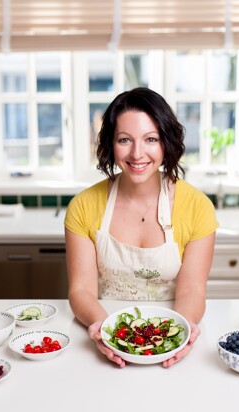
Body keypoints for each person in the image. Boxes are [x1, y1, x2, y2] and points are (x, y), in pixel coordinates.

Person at [64, 87, 218, 368]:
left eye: (151, 139)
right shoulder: (83, 206)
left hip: (171, 329)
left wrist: (178, 334)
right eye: (125, 139)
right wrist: (104, 331)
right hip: (106, 337)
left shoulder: (198, 207)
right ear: (111, 143)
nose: (137, 154)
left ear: (166, 143)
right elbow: (81, 290)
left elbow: (192, 292)